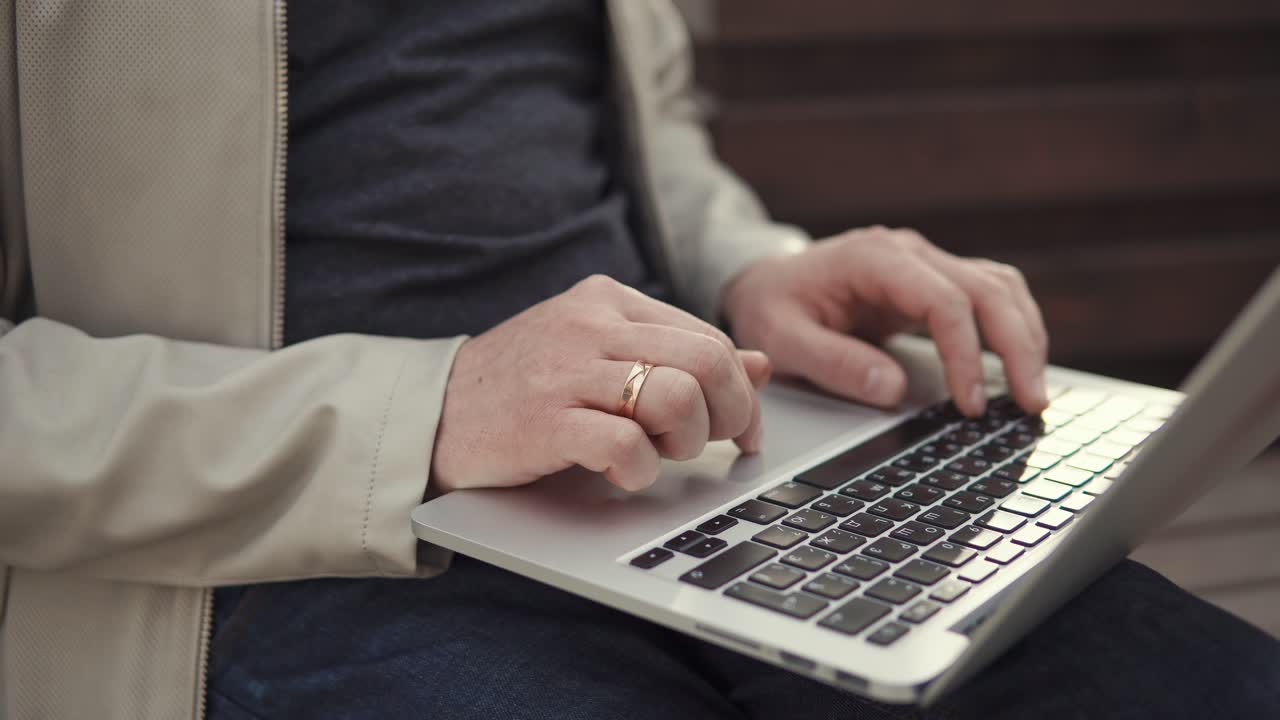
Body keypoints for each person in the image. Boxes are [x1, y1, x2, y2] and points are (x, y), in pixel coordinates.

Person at [0, 2, 1275, 718]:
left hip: (703, 466)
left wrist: (742, 273)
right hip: (280, 548)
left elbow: (643, 143)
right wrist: (425, 409)